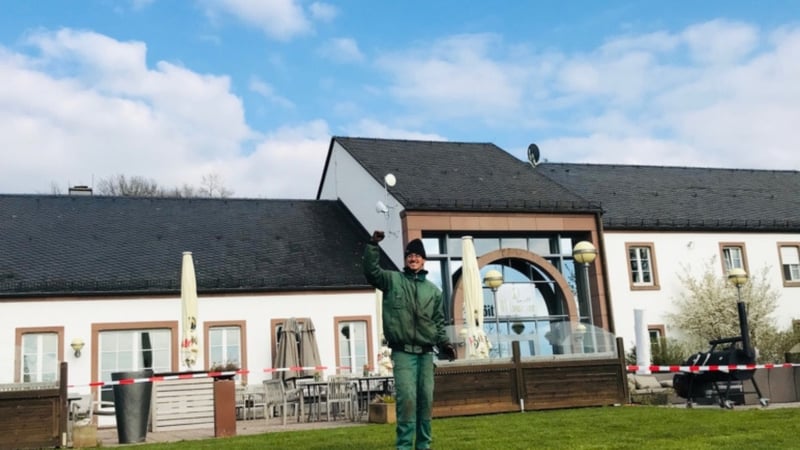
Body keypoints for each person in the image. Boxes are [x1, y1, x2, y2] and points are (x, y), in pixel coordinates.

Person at [363, 230, 456, 450]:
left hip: (425, 354)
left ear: (424, 260)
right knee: (407, 401)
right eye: (409, 256)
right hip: (403, 352)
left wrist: (445, 344)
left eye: (417, 256)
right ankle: (404, 446)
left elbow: (438, 323)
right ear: (405, 259)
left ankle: (423, 446)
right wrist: (372, 246)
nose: (413, 259)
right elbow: (371, 273)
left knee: (425, 401)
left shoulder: (433, 291)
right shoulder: (392, 280)